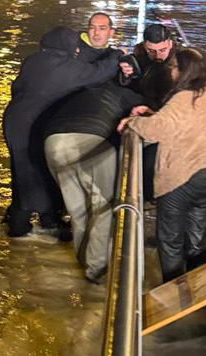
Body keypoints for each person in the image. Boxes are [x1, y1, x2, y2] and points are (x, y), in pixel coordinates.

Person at [120, 47, 206, 282]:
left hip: (181, 177)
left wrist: (134, 122)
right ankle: (199, 282)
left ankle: (174, 290)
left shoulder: (183, 98)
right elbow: (189, 125)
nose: (170, 71)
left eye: (173, 67)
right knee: (197, 236)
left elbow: (158, 129)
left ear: (184, 71)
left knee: (169, 239)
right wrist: (154, 113)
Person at [2, 26, 122, 237]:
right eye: (75, 46)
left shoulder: (34, 60)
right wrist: (116, 55)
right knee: (36, 172)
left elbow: (17, 88)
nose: (77, 50)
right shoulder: (64, 67)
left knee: (23, 170)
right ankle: (23, 225)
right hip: (33, 123)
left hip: (15, 119)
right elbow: (100, 73)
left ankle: (33, 218)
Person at [43, 82, 147, 283]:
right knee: (103, 207)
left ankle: (82, 259)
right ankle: (96, 270)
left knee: (76, 208)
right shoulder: (131, 96)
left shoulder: (84, 91)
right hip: (92, 141)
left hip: (53, 141)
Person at [121, 23, 177, 103]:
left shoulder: (183, 60)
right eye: (151, 51)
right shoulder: (137, 59)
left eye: (163, 50)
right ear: (144, 46)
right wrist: (126, 76)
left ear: (170, 44)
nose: (158, 56)